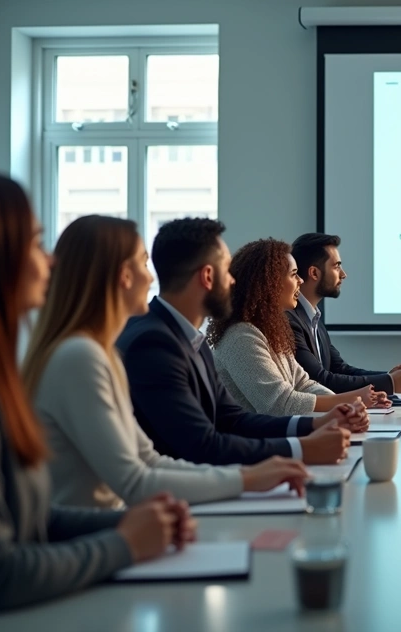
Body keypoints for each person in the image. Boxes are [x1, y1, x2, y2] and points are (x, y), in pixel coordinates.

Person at [0, 173, 192, 632]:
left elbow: (32, 519)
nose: (49, 261)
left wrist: (136, 524)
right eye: (34, 243)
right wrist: (125, 544)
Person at [23, 216, 310, 509]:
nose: (151, 278)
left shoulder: (102, 353)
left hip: (119, 526)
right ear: (124, 275)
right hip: (97, 535)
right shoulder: (82, 357)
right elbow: (136, 480)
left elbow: (148, 460)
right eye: (144, 263)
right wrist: (251, 477)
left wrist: (255, 472)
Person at [117, 218, 361, 466]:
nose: (234, 281)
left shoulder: (193, 340)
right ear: (208, 276)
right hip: (180, 493)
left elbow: (231, 419)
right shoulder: (153, 343)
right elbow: (201, 444)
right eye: (227, 270)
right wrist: (300, 450)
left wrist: (317, 423)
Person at [209, 239, 390, 415]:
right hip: (255, 444)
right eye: (294, 274)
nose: (300, 281)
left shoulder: (269, 331)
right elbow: (279, 404)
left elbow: (304, 384)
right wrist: (349, 401)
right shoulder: (241, 337)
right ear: (270, 283)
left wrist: (347, 407)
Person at [289, 233, 401, 395]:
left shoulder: (313, 317)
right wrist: (390, 382)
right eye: (336, 266)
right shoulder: (290, 320)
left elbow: (340, 369)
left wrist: (389, 376)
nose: (343, 274)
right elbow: (320, 380)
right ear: (314, 273)